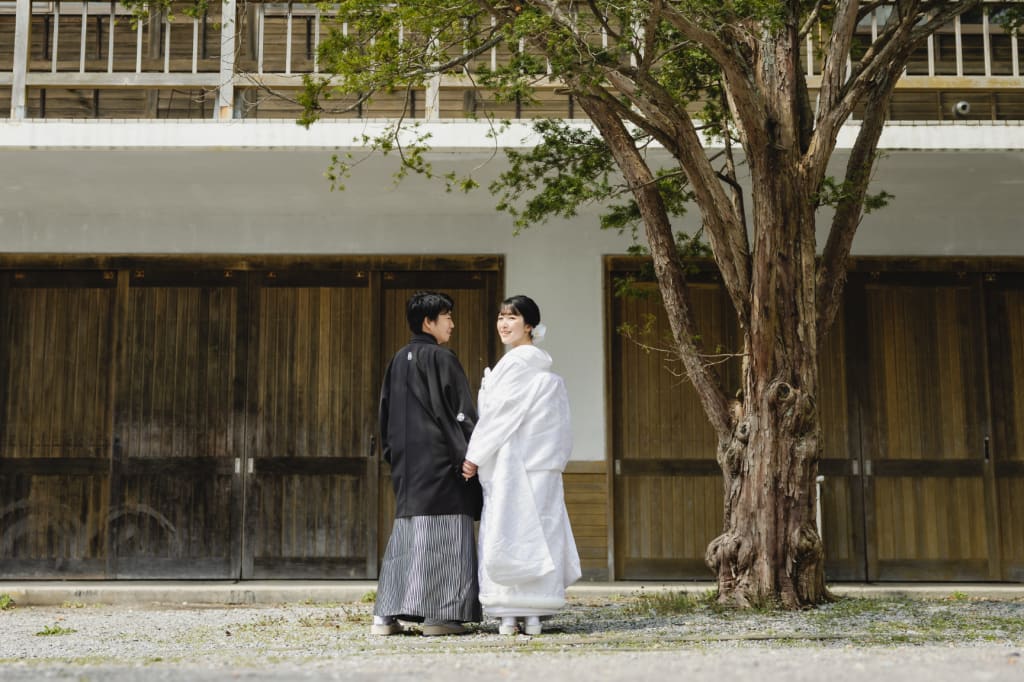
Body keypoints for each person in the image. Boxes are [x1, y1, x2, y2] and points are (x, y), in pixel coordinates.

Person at [461, 295, 581, 636]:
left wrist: (475, 454)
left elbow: (500, 415)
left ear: (529, 325)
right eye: (500, 317)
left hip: (514, 465)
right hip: (539, 465)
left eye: (512, 317)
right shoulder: (539, 369)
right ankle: (533, 612)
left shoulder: (518, 364)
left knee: (509, 528)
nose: (504, 323)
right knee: (539, 529)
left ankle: (509, 613)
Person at [372, 291, 483, 637]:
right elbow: (462, 411)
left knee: (407, 534)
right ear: (427, 322)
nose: (452, 322)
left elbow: (384, 415)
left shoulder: (398, 359)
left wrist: (394, 455)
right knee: (447, 533)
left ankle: (385, 616)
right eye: (446, 316)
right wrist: (473, 453)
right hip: (443, 463)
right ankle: (441, 617)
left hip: (408, 464)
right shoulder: (441, 357)